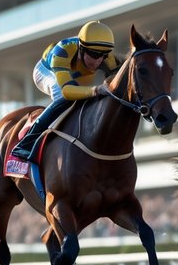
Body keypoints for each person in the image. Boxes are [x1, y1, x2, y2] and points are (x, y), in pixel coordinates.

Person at [8, 21, 120, 161]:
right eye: (94, 54)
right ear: (82, 48)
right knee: (66, 97)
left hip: (74, 75)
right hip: (46, 71)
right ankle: (26, 143)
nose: (98, 60)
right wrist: (96, 90)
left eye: (104, 55)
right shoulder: (62, 51)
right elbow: (67, 91)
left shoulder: (103, 52)